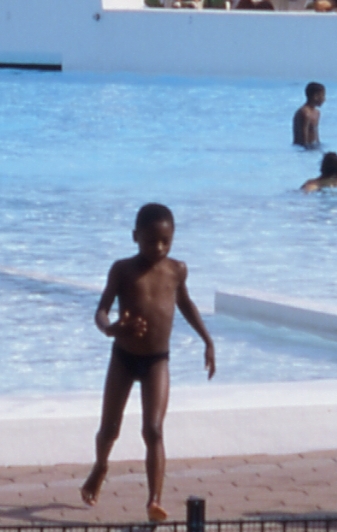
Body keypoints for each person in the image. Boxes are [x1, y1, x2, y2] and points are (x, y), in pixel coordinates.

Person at [80, 202, 216, 522]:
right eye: (150, 240)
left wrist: (207, 340)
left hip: (157, 361)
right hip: (123, 359)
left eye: (165, 242)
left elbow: (186, 304)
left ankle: (154, 500)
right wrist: (112, 328)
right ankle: (100, 466)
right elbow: (100, 311)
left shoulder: (177, 270)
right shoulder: (122, 270)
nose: (158, 247)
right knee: (109, 429)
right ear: (134, 237)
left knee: (153, 429)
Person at [293, 82, 324, 149]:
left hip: (312, 146)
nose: (324, 99)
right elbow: (303, 138)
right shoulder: (305, 113)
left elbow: (315, 133)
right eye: (323, 96)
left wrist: (318, 145)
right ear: (316, 96)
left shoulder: (317, 113)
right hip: (303, 148)